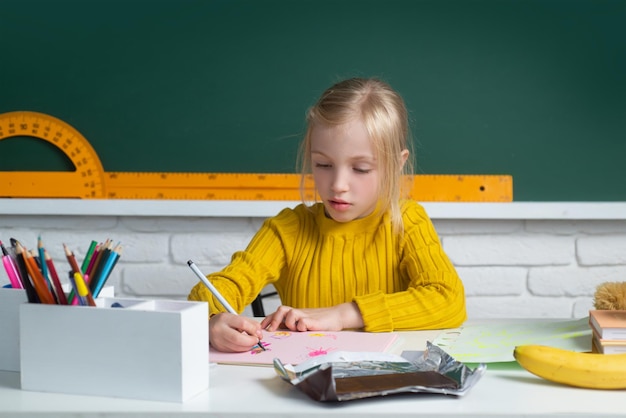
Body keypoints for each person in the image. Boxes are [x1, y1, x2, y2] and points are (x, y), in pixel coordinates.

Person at [188, 77, 466, 352]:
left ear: (396, 164)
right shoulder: (288, 228)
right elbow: (222, 285)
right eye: (323, 164)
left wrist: (343, 315)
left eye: (361, 169)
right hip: (304, 386)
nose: (338, 185)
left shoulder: (407, 222)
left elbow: (448, 300)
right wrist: (211, 320)